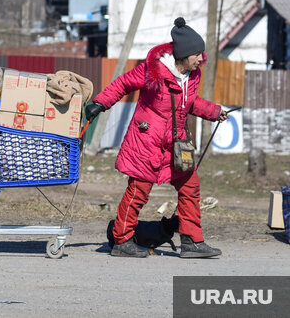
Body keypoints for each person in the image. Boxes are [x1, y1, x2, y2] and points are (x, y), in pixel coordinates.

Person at [85, 17, 229, 258]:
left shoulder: (192, 76)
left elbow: (189, 103)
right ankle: (121, 240)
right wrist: (100, 103)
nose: (200, 59)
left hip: (175, 145)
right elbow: (122, 84)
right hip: (147, 142)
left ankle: (191, 242)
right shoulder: (153, 70)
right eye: (196, 54)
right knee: (138, 191)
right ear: (183, 54)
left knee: (190, 185)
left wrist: (214, 111)